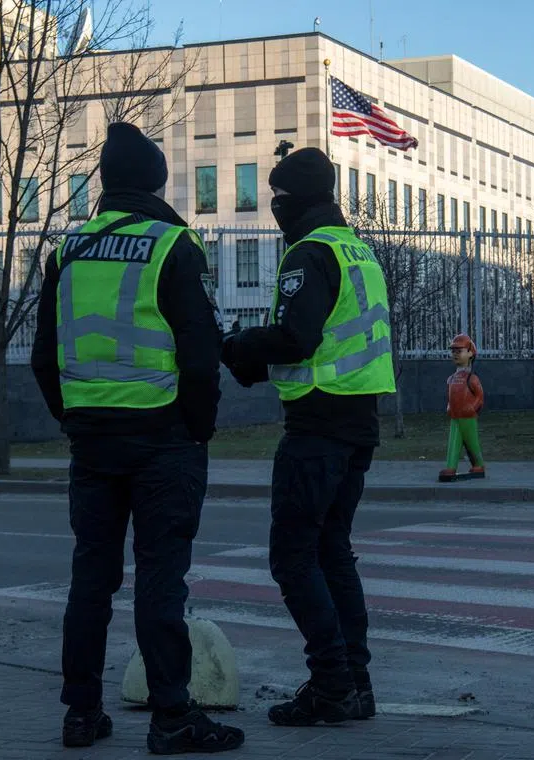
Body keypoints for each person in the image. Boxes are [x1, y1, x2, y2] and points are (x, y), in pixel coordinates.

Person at [30, 122, 244, 755]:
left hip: (92, 442)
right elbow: (201, 359)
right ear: (155, 181)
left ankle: (81, 714)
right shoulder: (173, 245)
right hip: (162, 441)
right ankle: (172, 717)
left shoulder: (67, 250)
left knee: (90, 579)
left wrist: (72, 418)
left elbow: (45, 357)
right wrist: (196, 431)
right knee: (160, 580)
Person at [220, 147, 395, 727]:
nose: (273, 210)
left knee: (294, 559)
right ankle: (356, 685)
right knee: (331, 553)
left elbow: (298, 338)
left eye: (276, 200)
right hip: (357, 425)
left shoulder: (309, 251)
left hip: (317, 428)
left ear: (289, 202)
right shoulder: (356, 250)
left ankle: (332, 685)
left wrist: (242, 347)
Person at [439, 333, 486, 482]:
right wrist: (449, 407)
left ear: (470, 353)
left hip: (468, 417)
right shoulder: (451, 379)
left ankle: (479, 464)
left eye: (459, 351)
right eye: (453, 351)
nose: (455, 354)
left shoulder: (472, 378)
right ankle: (450, 466)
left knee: (472, 442)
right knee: (453, 441)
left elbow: (480, 396)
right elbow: (450, 396)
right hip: (455, 416)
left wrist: (472, 408)